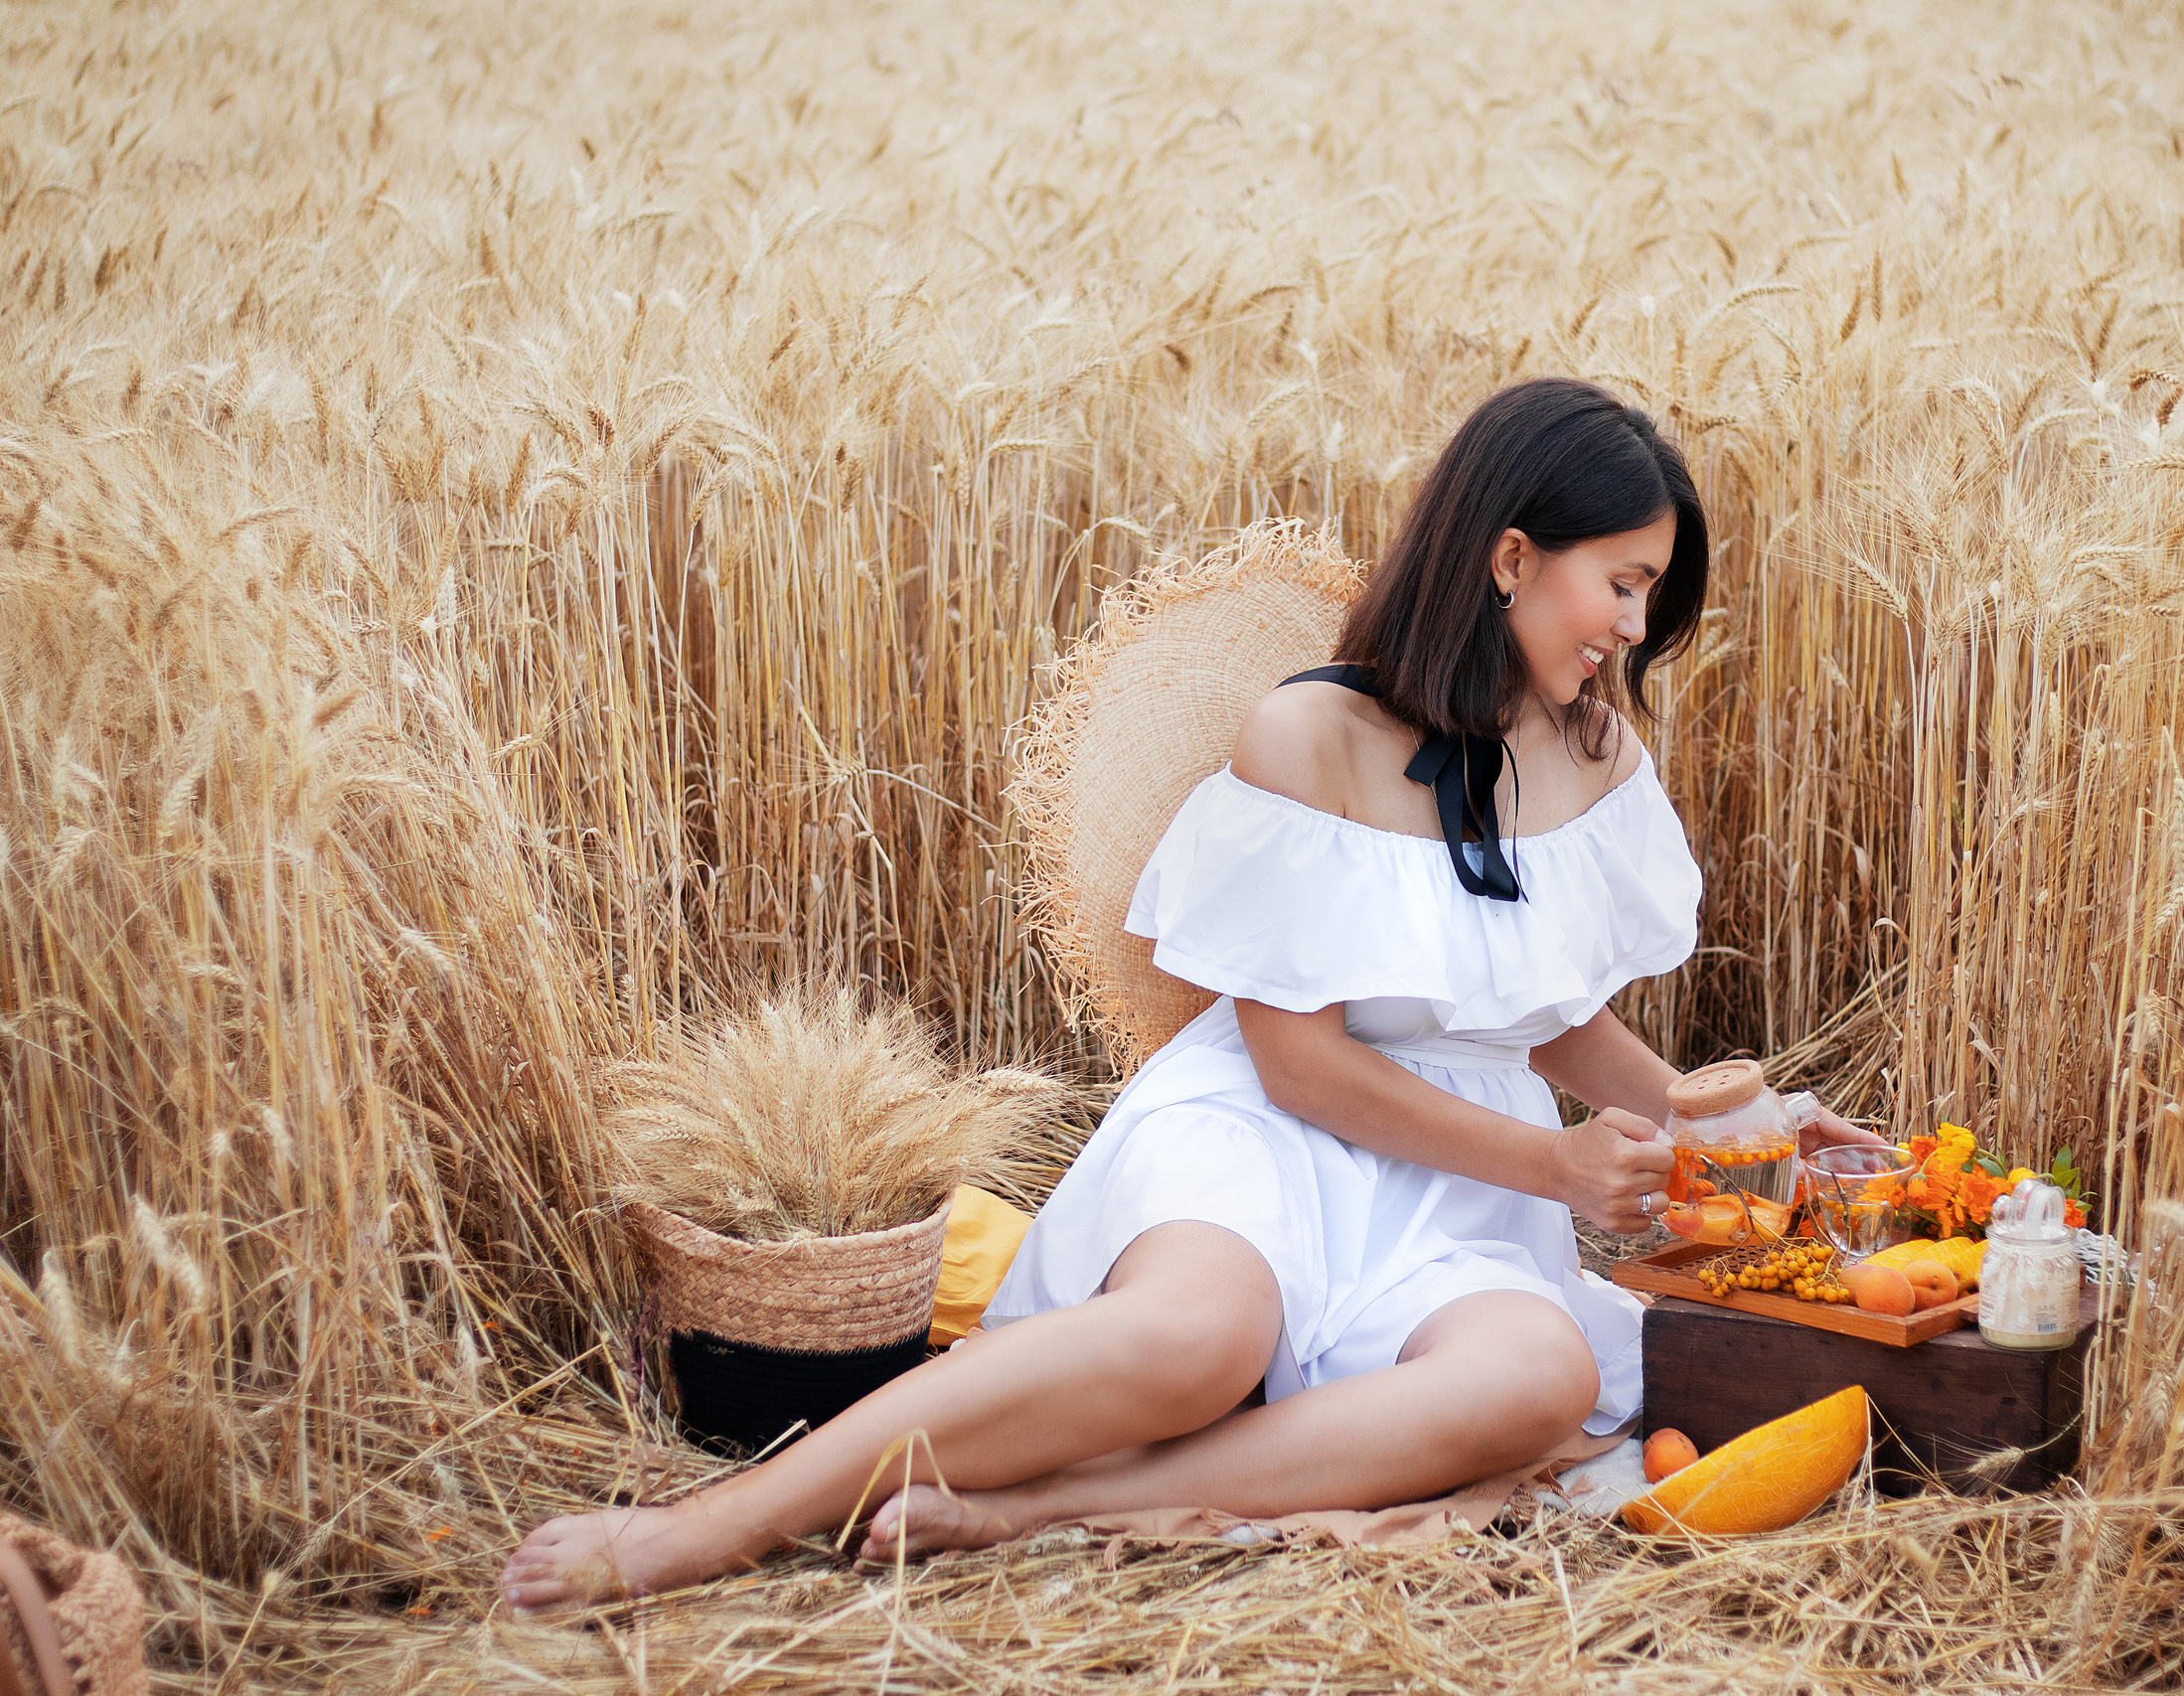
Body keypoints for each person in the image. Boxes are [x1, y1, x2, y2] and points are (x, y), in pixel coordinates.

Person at [501, 377, 1886, 1613]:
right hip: (1267, 1129)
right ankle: (719, 1524)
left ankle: (1046, 1508)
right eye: (1622, 583)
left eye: (1655, 593)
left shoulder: (1593, 752)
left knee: (1542, 1381)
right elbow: (1304, 1069)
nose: (1636, 628)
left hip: (1459, 1182)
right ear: (1512, 558)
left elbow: (1540, 1011)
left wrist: (1749, 1118)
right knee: (1203, 1334)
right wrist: (1555, 1164)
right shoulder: (1311, 736)